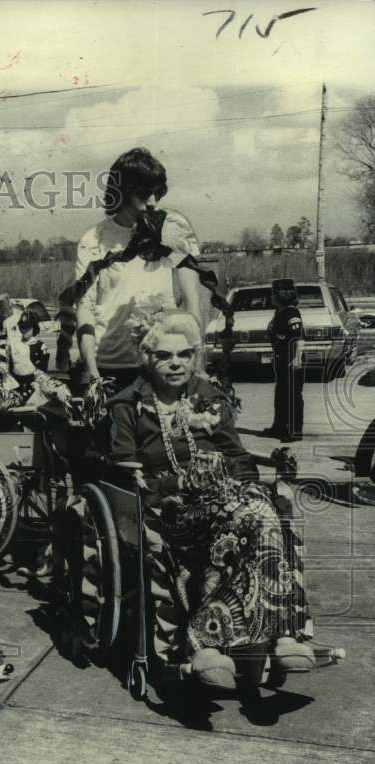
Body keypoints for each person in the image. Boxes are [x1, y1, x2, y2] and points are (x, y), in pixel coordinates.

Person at [106, 309, 318, 693]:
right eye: (164, 355)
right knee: (236, 528)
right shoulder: (127, 405)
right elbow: (125, 473)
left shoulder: (209, 395)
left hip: (227, 498)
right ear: (147, 358)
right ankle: (212, 644)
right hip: (169, 505)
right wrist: (181, 481)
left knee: (261, 518)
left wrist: (235, 486)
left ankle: (281, 636)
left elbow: (236, 456)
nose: (176, 363)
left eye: (184, 355)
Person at [74, 147, 203, 395]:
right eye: (144, 194)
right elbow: (84, 308)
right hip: (112, 366)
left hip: (163, 362)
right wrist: (92, 371)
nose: (152, 202)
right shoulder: (94, 239)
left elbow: (193, 299)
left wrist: (195, 361)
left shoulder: (173, 229)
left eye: (158, 193)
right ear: (122, 192)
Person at [264, 279, 304, 443]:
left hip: (292, 360)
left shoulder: (291, 312)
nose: (271, 296)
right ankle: (279, 426)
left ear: (281, 295)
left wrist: (297, 358)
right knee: (281, 394)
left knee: (293, 396)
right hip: (281, 360)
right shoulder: (280, 312)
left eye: (273, 293)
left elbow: (299, 338)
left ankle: (295, 431)